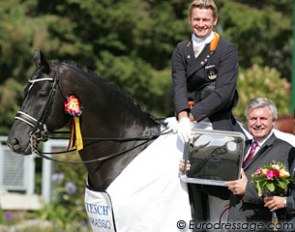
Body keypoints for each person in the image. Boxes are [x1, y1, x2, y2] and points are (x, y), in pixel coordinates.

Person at [170, 0, 244, 223]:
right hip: (187, 117)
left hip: (215, 115)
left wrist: (193, 117)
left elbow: (223, 92)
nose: (201, 24)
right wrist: (183, 117)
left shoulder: (226, 49)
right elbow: (179, 85)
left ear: (214, 21)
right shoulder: (181, 49)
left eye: (205, 20)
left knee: (224, 166)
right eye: (197, 19)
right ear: (190, 20)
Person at [225, 97, 295, 229]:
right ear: (247, 121)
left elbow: (283, 193)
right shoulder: (240, 147)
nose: (258, 123)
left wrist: (247, 189)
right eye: (253, 119)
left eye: (263, 118)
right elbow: (224, 185)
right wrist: (193, 171)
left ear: (273, 120)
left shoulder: (285, 150)